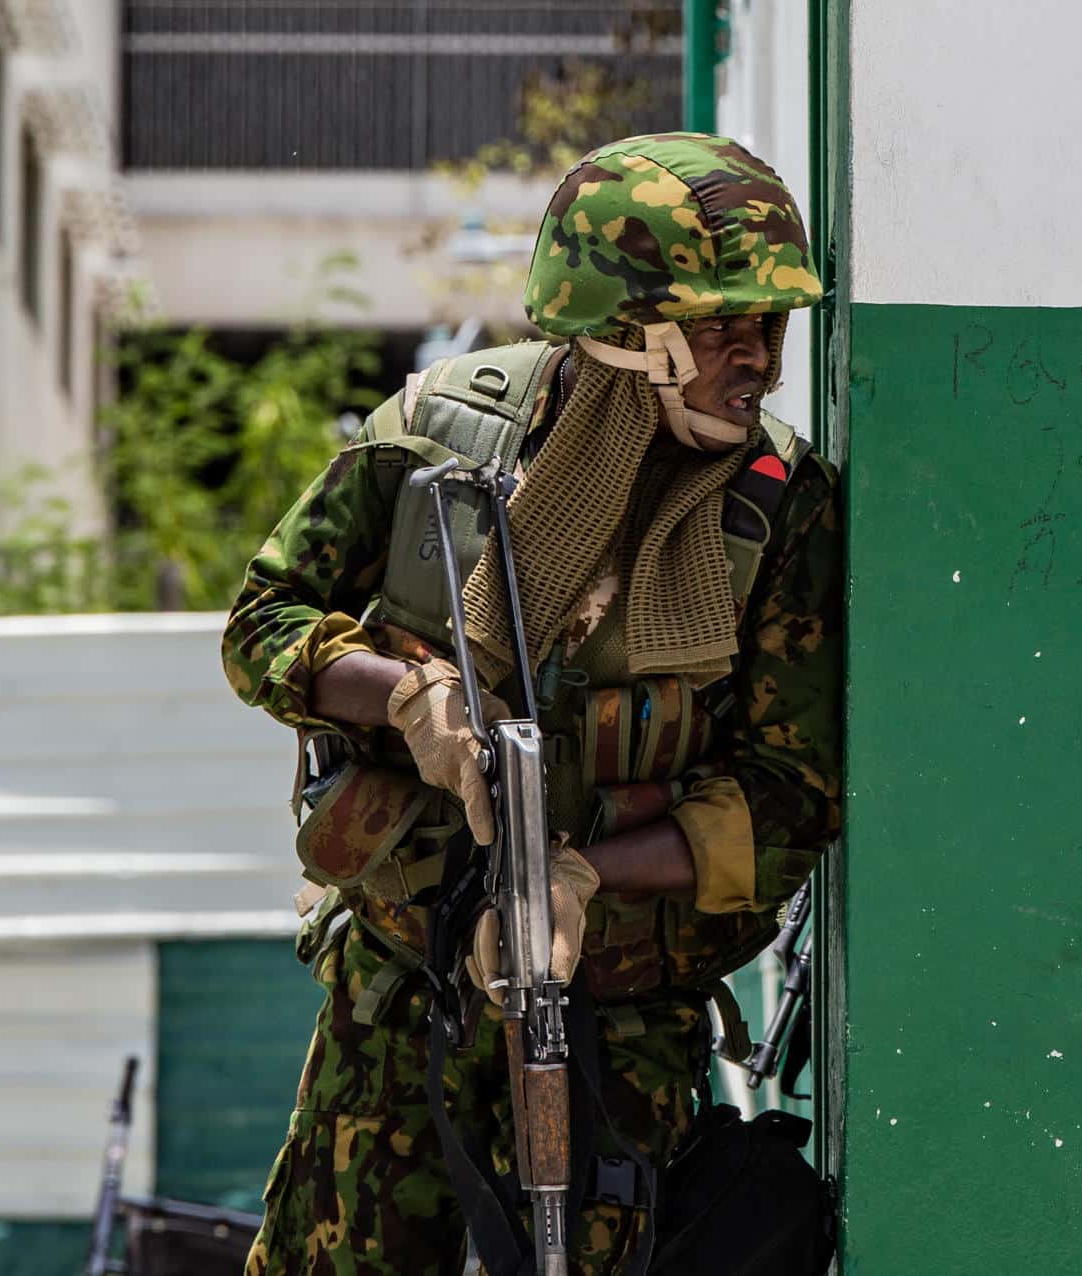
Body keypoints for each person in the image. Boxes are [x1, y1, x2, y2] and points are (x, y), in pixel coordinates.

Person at [221, 133, 842, 1275]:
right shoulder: (439, 436)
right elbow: (261, 626)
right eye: (719, 326)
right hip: (402, 983)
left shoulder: (783, 515)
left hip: (619, 1014)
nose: (756, 357)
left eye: (770, 324)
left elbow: (794, 797)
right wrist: (406, 691)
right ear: (623, 332)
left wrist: (585, 876)